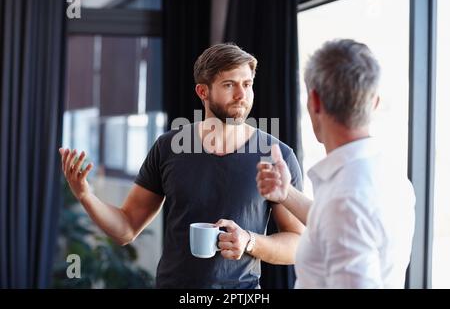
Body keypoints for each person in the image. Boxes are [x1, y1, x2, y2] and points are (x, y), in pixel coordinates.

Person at [59, 43, 304, 289]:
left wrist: (250, 241)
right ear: (203, 91)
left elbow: (297, 243)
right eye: (229, 85)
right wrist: (85, 195)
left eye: (247, 84)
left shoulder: (277, 156)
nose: (241, 95)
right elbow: (126, 228)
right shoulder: (168, 147)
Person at [256, 39, 416, 288]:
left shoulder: (345, 201)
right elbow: (334, 226)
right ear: (374, 102)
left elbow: (343, 217)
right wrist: (285, 193)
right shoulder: (389, 175)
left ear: (315, 101)